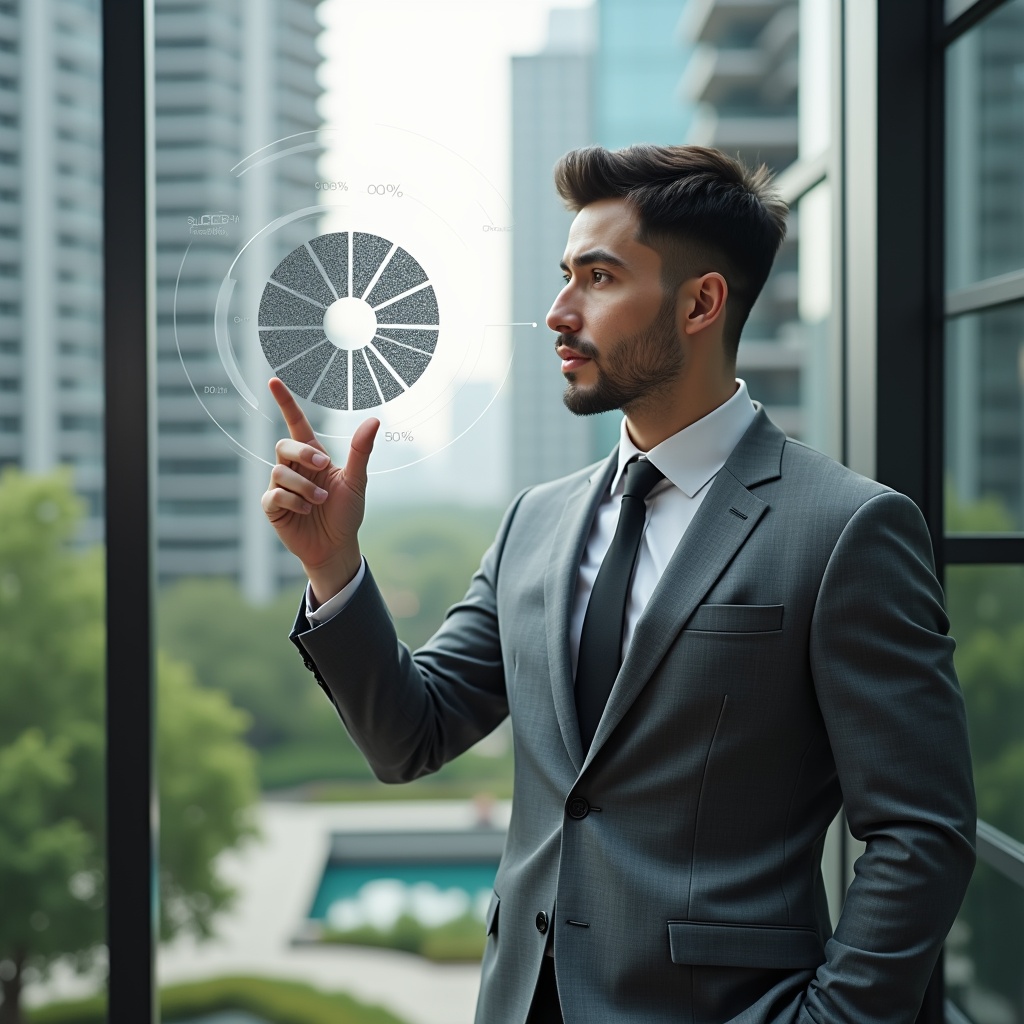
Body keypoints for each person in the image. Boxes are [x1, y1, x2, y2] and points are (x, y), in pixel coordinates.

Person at [262, 144, 976, 1024]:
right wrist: (332, 567)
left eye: (597, 278)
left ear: (701, 303)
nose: (559, 312)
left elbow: (923, 833)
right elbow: (412, 735)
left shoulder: (846, 530)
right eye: (566, 275)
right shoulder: (536, 521)